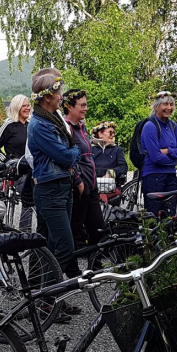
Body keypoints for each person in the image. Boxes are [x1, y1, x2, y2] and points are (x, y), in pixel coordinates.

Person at [26, 68, 81, 277]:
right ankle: (46, 296)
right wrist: (75, 150)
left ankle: (49, 301)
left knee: (52, 247)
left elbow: (67, 151)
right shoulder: (39, 125)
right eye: (59, 93)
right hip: (51, 190)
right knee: (65, 247)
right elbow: (67, 156)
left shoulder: (50, 119)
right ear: (48, 97)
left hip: (60, 186)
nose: (61, 97)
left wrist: (71, 151)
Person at [62, 89, 106, 249]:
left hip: (91, 185)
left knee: (99, 228)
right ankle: (70, 268)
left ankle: (96, 265)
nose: (85, 108)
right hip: (79, 187)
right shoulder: (66, 128)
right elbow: (67, 158)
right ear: (70, 107)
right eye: (82, 105)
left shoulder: (82, 127)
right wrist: (79, 182)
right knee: (75, 228)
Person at [0, 94, 34, 231]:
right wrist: (7, 161)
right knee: (4, 204)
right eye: (24, 106)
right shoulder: (9, 125)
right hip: (12, 171)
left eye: (28, 105)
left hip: (28, 169)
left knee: (29, 203)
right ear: (17, 107)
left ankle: (25, 233)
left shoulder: (31, 125)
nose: (28, 108)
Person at [140, 91, 177, 218]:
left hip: (171, 175)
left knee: (171, 215)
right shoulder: (150, 126)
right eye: (165, 104)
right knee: (153, 216)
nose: (169, 108)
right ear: (156, 106)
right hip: (153, 176)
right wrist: (174, 161)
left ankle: (169, 238)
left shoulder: (172, 125)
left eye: (171, 104)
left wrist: (168, 151)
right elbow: (155, 157)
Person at [91, 120, 128, 187]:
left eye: (114, 133)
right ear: (100, 134)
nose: (113, 135)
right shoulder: (90, 149)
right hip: (92, 184)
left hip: (111, 185)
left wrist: (111, 173)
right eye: (110, 132)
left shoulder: (117, 150)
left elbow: (123, 167)